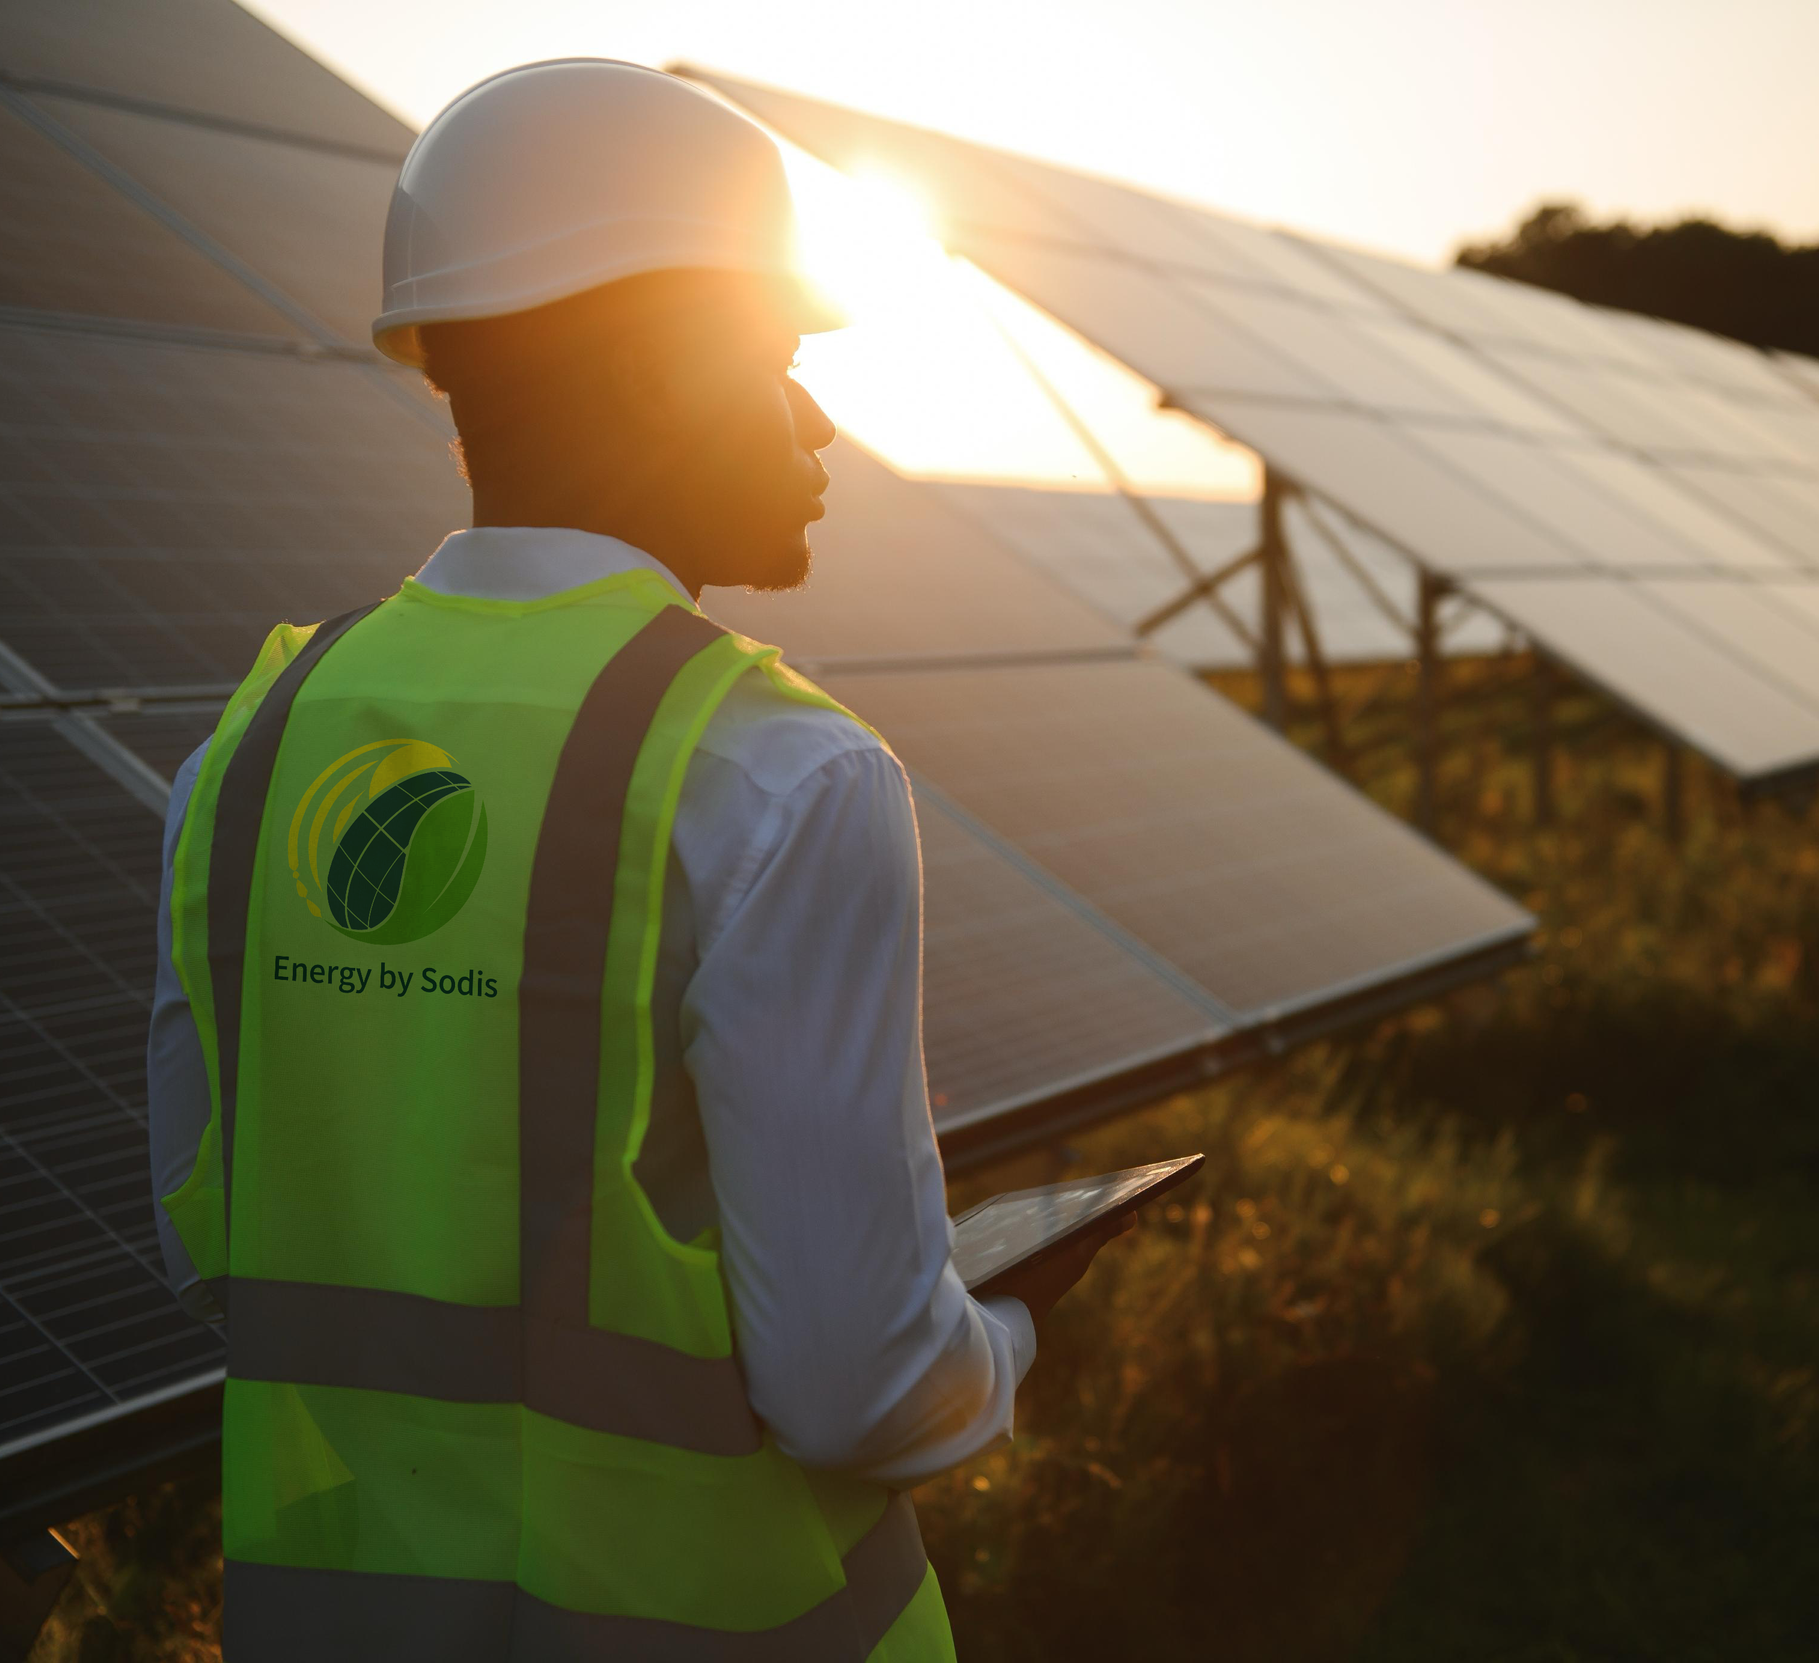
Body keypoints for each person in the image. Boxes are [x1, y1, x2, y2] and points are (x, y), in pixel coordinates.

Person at [146, 58, 1128, 1660]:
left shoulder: (246, 754)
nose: (817, 418)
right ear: (644, 363)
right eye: (778, 355)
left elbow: (218, 1245)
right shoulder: (781, 776)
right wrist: (1005, 1327)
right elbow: (858, 1390)